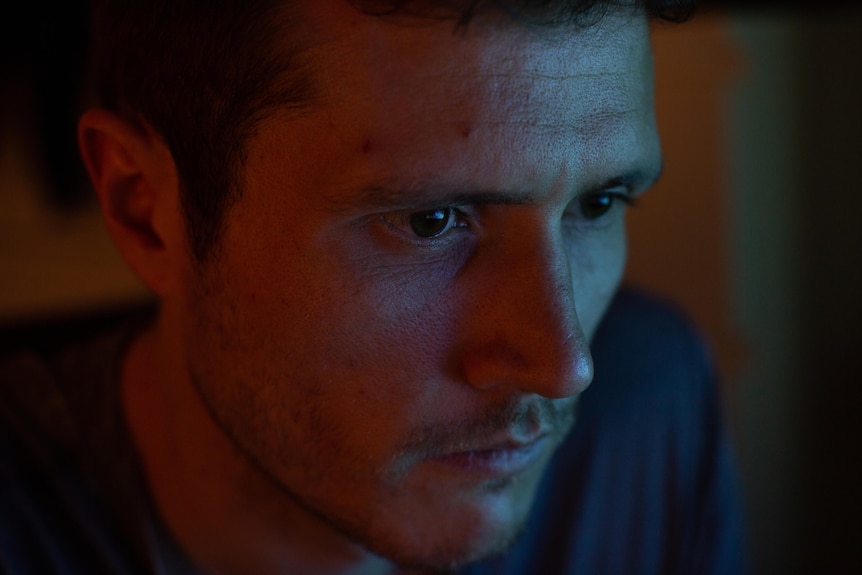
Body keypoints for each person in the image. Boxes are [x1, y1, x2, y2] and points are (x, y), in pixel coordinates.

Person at [0, 0, 744, 573]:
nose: (564, 364)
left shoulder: (645, 415)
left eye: (598, 203)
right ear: (145, 211)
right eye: (430, 220)